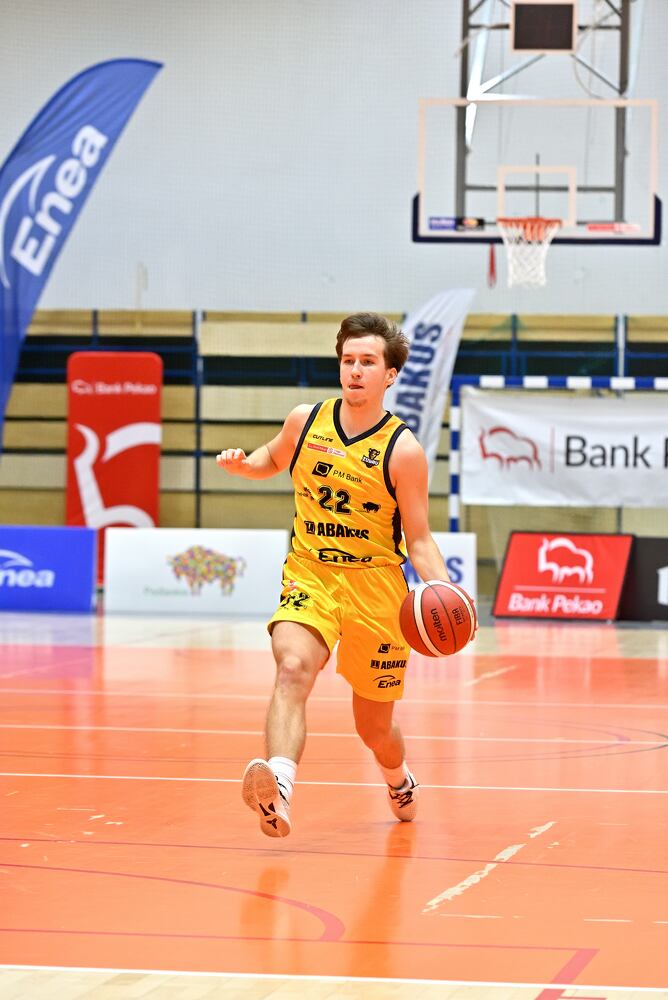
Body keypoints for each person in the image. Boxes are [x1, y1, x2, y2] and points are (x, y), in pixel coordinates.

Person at [216, 312, 464, 838]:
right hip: (311, 574)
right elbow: (272, 458)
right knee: (291, 668)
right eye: (348, 360)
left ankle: (397, 778)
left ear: (389, 374)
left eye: (367, 362)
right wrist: (245, 464)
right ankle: (279, 791)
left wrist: (448, 592)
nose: (354, 370)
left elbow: (419, 538)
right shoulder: (305, 421)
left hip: (377, 589)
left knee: (374, 729)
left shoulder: (403, 450)